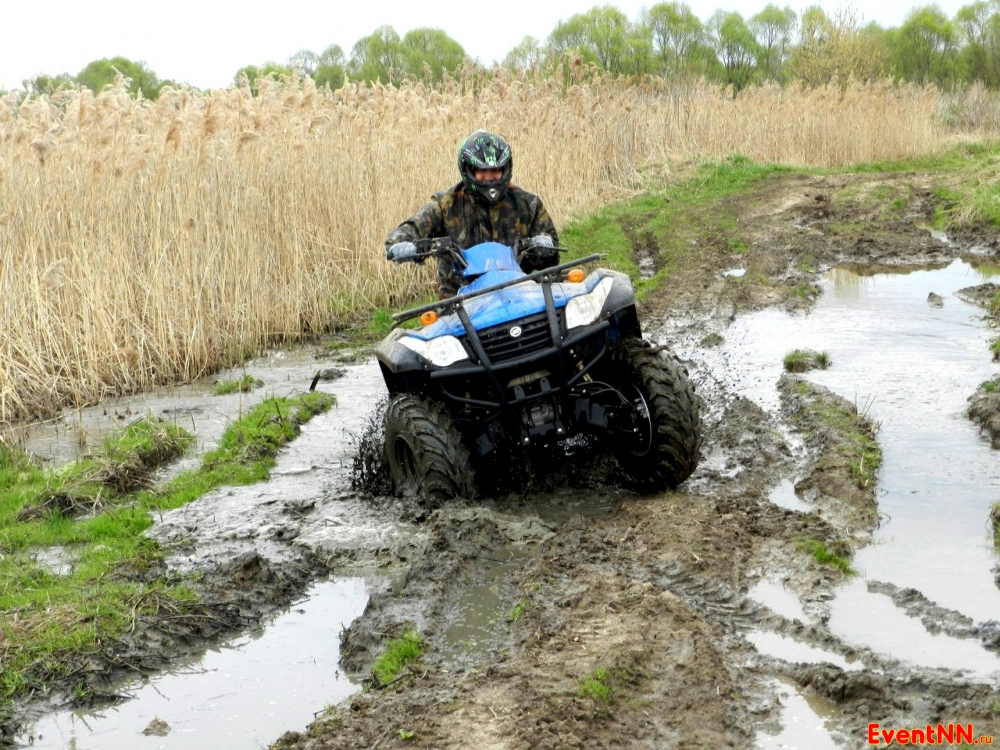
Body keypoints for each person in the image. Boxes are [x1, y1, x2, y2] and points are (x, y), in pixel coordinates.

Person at [385, 130, 560, 297]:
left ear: (506, 169)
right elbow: (411, 228)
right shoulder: (446, 204)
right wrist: (403, 244)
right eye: (482, 171)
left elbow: (552, 250)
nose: (489, 177)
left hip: (518, 288)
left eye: (495, 170)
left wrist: (543, 244)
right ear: (468, 170)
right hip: (459, 298)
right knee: (440, 327)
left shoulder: (527, 203)